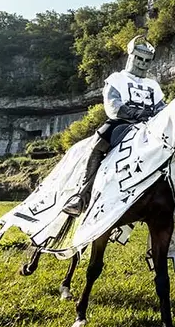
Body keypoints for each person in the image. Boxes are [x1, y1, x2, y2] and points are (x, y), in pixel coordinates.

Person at [62, 36, 166, 217]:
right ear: (130, 56)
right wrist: (135, 113)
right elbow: (113, 104)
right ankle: (81, 195)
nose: (142, 63)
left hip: (150, 126)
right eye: (139, 59)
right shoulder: (117, 78)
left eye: (147, 61)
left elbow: (162, 108)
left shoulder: (153, 85)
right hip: (123, 123)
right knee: (99, 143)